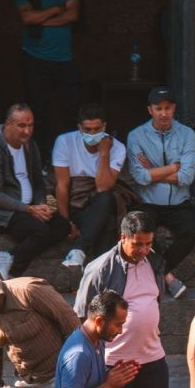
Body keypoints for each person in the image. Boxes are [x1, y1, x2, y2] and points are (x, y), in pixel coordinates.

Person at [76, 209, 170, 388]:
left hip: (151, 355)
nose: (142, 249)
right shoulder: (100, 268)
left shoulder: (155, 261)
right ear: (123, 237)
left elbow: (155, 301)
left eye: (147, 243)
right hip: (112, 359)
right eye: (137, 243)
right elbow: (82, 314)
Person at [126, 85, 195, 300]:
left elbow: (186, 177)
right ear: (150, 110)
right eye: (158, 108)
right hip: (148, 201)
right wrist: (173, 168)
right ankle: (167, 277)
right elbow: (139, 177)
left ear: (174, 108)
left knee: (192, 232)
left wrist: (153, 171)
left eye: (168, 108)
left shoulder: (187, 134)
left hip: (179, 201)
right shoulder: (136, 136)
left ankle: (160, 271)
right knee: (142, 231)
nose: (164, 113)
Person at [14, 0, 80, 160]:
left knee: (70, 108)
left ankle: (72, 157)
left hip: (64, 57)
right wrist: (54, 9)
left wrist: (40, 18)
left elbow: (72, 15)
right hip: (35, 57)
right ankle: (39, 158)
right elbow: (26, 17)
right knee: (36, 111)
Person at [0, 103, 69, 280]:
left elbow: (38, 181)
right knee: (40, 231)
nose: (27, 131)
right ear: (8, 123)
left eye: (31, 125)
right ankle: (13, 276)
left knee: (63, 226)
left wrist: (40, 204)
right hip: (3, 212)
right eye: (22, 125)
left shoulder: (29, 145)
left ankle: (9, 256)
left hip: (29, 207)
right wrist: (28, 209)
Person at [52, 103, 126, 275]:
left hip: (100, 201)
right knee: (107, 221)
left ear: (104, 127)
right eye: (88, 129)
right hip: (76, 204)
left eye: (97, 129)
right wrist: (65, 223)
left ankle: (80, 251)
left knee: (106, 198)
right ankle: (101, 275)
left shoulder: (117, 147)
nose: (92, 134)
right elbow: (62, 185)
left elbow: (103, 186)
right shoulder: (64, 142)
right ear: (79, 128)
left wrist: (104, 153)